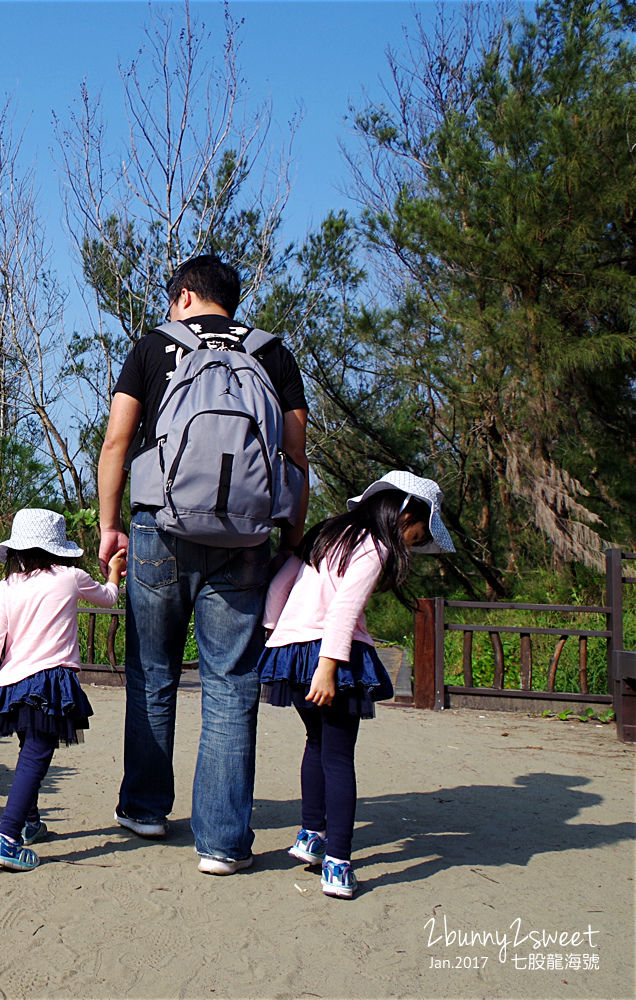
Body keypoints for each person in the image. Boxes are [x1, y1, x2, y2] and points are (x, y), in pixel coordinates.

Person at [97, 254, 310, 875]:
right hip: (245, 540)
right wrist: (290, 541)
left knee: (153, 670)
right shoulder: (272, 352)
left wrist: (111, 527)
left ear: (186, 295)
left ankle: (144, 807)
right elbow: (295, 458)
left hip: (158, 525)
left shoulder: (155, 346)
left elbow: (116, 442)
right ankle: (221, 842)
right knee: (230, 683)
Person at [259, 470, 455, 898]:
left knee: (316, 744)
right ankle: (339, 861)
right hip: (334, 657)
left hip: (292, 652)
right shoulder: (376, 546)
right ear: (407, 514)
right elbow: (345, 608)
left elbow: (279, 586)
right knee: (339, 758)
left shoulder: (327, 533)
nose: (416, 544)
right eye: (419, 536)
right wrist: (328, 666)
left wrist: (278, 633)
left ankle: (310, 836)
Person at [0, 507, 126, 872]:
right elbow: (108, 598)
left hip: (12, 682)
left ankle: (29, 825)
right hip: (50, 680)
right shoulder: (70, 577)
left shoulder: (8, 586)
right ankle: (7, 838)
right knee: (36, 757)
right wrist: (115, 574)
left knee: (29, 750)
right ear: (58, 547)